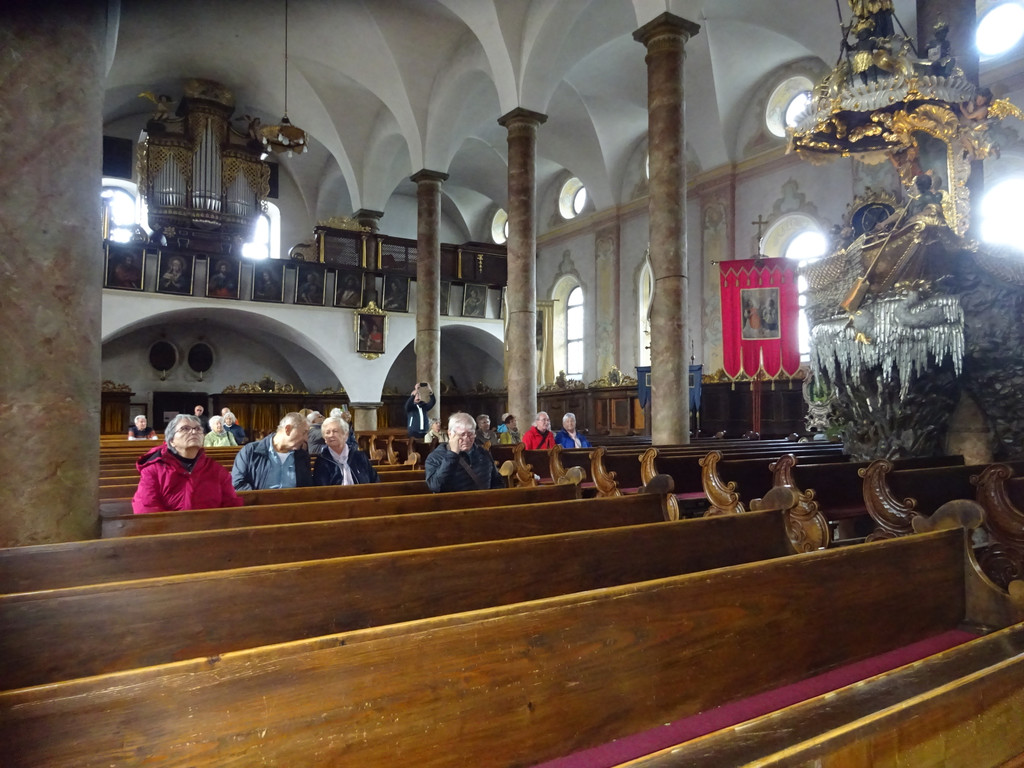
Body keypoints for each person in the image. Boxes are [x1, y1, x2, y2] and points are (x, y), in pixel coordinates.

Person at [132, 414, 243, 514]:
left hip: (211, 528)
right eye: (185, 428)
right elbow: (146, 509)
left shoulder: (216, 470)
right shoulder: (154, 470)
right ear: (171, 441)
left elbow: (232, 506)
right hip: (168, 529)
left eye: (198, 429)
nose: (194, 432)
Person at [231, 411, 312, 490]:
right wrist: (259, 497)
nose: (306, 438)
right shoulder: (250, 451)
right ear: (288, 429)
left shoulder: (302, 456)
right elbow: (237, 483)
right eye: (304, 432)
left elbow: (307, 488)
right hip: (258, 499)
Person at [424, 412, 504, 492]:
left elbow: (497, 482)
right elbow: (436, 487)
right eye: (461, 435)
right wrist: (452, 454)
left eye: (470, 434)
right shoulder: (436, 456)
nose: (466, 439)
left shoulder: (483, 453)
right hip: (453, 500)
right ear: (450, 434)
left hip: (483, 499)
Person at [312, 416, 379, 486]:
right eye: (327, 432)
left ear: (346, 435)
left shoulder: (359, 456)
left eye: (335, 431)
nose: (331, 435)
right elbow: (321, 488)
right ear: (324, 438)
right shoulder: (322, 460)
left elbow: (374, 480)